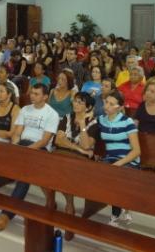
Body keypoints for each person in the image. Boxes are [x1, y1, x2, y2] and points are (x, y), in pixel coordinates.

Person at [0, 84, 59, 231]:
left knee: (24, 176)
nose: (32, 96)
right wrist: (15, 148)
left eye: (36, 94)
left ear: (45, 97)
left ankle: (6, 215)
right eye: (32, 93)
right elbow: (17, 133)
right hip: (20, 145)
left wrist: (25, 151)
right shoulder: (26, 110)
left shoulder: (51, 114)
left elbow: (44, 141)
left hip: (39, 150)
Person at [80, 90, 140, 227]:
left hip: (128, 160)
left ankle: (115, 215)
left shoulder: (127, 122)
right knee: (98, 175)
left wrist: (119, 163)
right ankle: (122, 204)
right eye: (106, 102)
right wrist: (83, 123)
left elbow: (137, 151)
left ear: (119, 108)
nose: (106, 106)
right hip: (110, 158)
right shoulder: (101, 120)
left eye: (111, 104)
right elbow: (87, 141)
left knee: (115, 176)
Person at [54, 92, 96, 238]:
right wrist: (78, 148)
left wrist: (83, 124)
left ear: (88, 106)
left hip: (80, 161)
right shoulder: (66, 117)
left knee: (69, 170)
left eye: (80, 102)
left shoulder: (94, 123)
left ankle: (69, 207)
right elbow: (58, 141)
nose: (75, 104)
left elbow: (87, 144)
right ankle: (51, 201)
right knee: (44, 165)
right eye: (75, 101)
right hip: (63, 153)